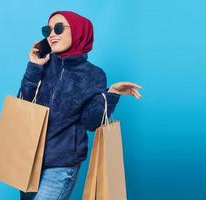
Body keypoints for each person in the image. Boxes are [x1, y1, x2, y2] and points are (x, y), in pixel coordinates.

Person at [17, 10, 142, 200]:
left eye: (58, 28)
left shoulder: (93, 75)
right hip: (29, 159)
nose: (51, 34)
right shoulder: (43, 65)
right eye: (47, 30)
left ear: (78, 32)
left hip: (61, 165)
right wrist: (34, 66)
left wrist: (112, 94)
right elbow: (23, 105)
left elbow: (91, 122)